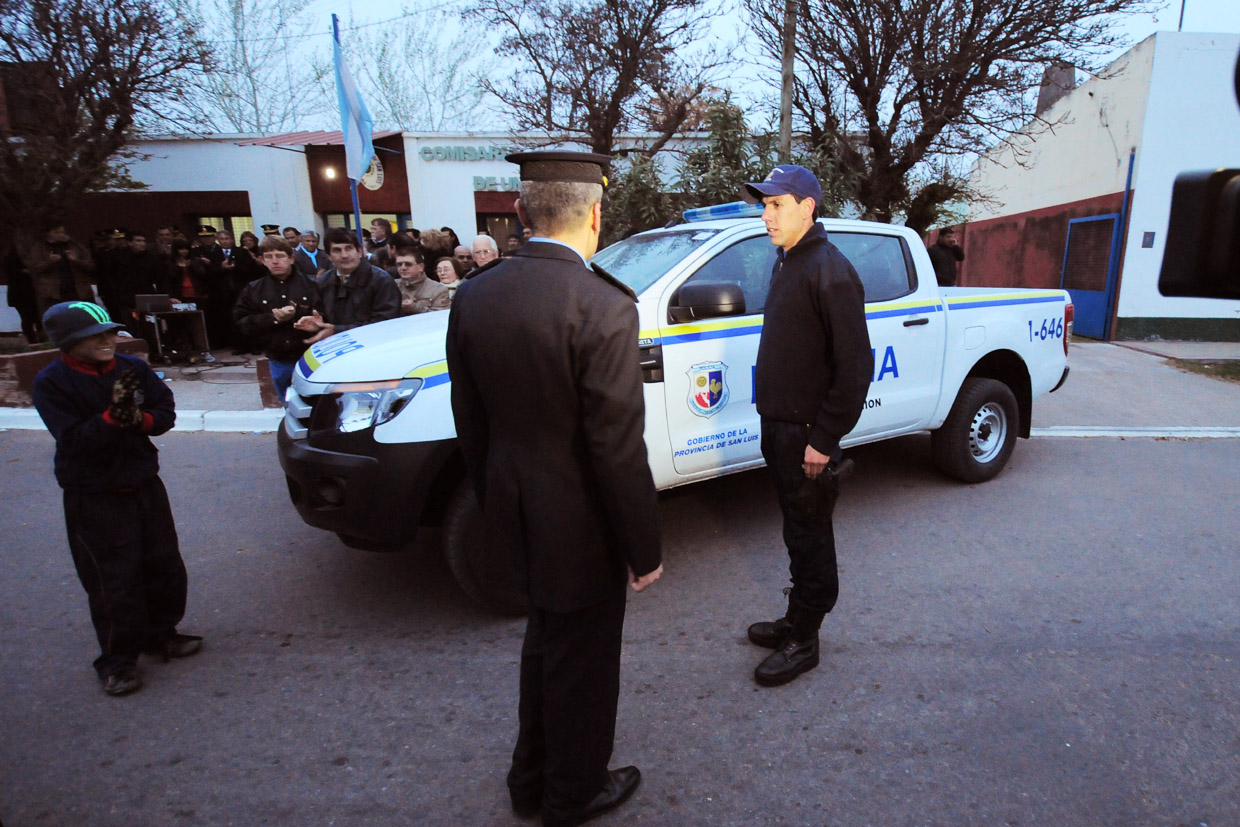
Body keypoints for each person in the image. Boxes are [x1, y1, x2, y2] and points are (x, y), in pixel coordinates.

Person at [446, 150, 662, 827]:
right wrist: (643, 546)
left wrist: (494, 501)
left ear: (519, 212)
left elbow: (470, 423)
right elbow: (616, 446)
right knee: (584, 664)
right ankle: (571, 794)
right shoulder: (601, 304)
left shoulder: (474, 294)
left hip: (514, 510)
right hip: (581, 525)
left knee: (544, 644)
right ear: (596, 215)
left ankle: (529, 778)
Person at [739, 165, 874, 687]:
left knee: (811, 534)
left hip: (806, 437)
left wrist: (823, 438)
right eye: (765, 205)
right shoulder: (789, 261)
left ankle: (806, 640)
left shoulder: (830, 270)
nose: (766, 214)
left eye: (776, 204)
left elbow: (855, 365)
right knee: (796, 532)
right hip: (779, 428)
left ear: (807, 207)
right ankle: (796, 617)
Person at [32, 301, 201, 697]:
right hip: (94, 494)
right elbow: (74, 440)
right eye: (97, 336)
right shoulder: (51, 382)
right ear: (69, 342)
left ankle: (162, 632)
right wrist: (111, 418)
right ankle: (117, 660)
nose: (109, 340)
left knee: (163, 564)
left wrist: (139, 420)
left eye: (111, 332)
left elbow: (164, 413)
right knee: (112, 579)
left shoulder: (132, 369)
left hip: (143, 483)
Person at [232, 236, 324, 400]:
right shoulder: (254, 289)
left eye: (280, 256)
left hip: (310, 359)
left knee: (318, 407)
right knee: (289, 406)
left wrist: (309, 321)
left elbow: (326, 315)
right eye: (269, 257)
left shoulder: (311, 285)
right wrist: (273, 318)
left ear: (291, 258)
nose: (275, 261)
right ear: (262, 260)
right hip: (278, 359)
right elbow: (242, 322)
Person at [295, 228, 399, 340]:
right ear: (329, 256)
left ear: (359, 251)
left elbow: (385, 324)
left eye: (348, 248)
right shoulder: (323, 282)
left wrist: (337, 330)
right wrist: (317, 324)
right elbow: (322, 315)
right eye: (337, 250)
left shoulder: (381, 280)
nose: (344, 255)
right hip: (338, 347)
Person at [27, 223, 95, 316]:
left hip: (77, 288)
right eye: (57, 232)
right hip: (55, 291)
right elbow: (36, 268)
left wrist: (76, 260)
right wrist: (50, 262)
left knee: (81, 316)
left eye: (62, 232)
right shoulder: (40, 248)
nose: (61, 234)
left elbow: (90, 265)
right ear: (49, 234)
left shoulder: (74, 246)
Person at [394, 249, 450, 315]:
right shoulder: (392, 286)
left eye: (408, 264)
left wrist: (415, 308)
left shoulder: (438, 290)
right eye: (399, 264)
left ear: (421, 267)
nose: (403, 268)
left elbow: (440, 317)